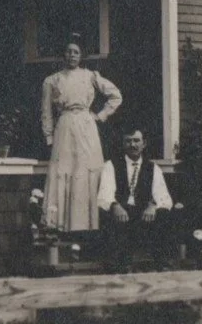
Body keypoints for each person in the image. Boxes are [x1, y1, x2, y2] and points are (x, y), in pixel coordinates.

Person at [41, 36, 122, 231]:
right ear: (63, 54)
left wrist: (100, 115)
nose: (72, 55)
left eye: (76, 52)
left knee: (86, 172)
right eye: (68, 51)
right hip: (65, 126)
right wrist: (49, 136)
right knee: (64, 171)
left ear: (81, 55)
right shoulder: (52, 80)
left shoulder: (90, 76)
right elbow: (46, 112)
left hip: (87, 126)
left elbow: (115, 96)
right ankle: (61, 225)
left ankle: (89, 225)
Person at [97, 126, 174, 272]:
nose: (132, 145)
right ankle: (120, 266)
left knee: (164, 214)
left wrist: (153, 206)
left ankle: (162, 265)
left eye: (136, 140)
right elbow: (104, 194)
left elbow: (163, 196)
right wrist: (115, 205)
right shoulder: (111, 165)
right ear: (123, 144)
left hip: (143, 214)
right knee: (110, 218)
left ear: (144, 143)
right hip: (122, 212)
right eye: (128, 141)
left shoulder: (153, 168)